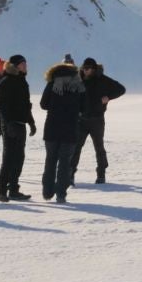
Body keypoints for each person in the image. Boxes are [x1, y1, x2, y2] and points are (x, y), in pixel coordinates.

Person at [38, 57, 85, 203]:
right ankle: (61, 194)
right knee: (65, 162)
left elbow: (43, 104)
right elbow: (85, 107)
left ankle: (47, 192)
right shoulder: (78, 85)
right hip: (70, 128)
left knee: (50, 160)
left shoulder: (52, 83)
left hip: (52, 127)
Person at [77, 58, 127, 186]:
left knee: (99, 148)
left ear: (94, 69)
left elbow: (121, 89)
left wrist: (108, 97)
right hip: (81, 120)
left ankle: (101, 175)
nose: (86, 71)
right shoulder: (78, 79)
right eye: (84, 68)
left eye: (88, 68)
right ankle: (70, 174)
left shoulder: (103, 79)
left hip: (97, 120)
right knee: (76, 147)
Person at [0, 55, 35, 201]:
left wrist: (31, 122)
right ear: (15, 66)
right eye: (23, 64)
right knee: (9, 157)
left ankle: (13, 189)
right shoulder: (6, 81)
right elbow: (3, 106)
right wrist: (8, 123)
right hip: (10, 125)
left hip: (20, 124)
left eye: (26, 63)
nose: (25, 66)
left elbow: (26, 105)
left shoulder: (23, 82)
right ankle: (2, 191)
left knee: (19, 158)